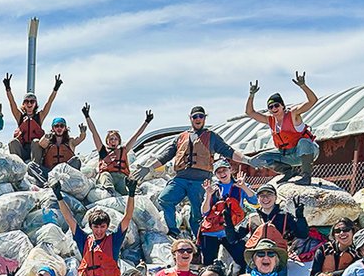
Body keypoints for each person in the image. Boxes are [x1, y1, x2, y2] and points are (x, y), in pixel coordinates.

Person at [149, 106, 246, 238]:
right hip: (180, 178)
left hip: (201, 181)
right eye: (195, 116)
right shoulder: (181, 137)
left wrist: (247, 160)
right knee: (165, 199)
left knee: (197, 214)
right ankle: (173, 231)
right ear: (190, 118)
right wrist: (149, 168)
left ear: (205, 118)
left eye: (201, 116)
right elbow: (165, 155)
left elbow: (229, 151)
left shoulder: (212, 137)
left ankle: (199, 239)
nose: (198, 119)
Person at [54, 179, 137, 276]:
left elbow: (127, 217)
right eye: (96, 227)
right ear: (91, 227)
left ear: (107, 226)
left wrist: (131, 194)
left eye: (102, 227)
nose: (99, 230)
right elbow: (69, 218)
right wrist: (59, 197)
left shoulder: (114, 240)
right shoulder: (84, 240)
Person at [245, 74, 320, 182]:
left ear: (282, 106)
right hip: (288, 155)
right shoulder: (270, 120)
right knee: (260, 158)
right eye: (270, 107)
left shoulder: (293, 114)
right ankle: (288, 172)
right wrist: (251, 95)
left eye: (276, 105)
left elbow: (312, 101)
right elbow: (250, 112)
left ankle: (306, 176)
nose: (274, 108)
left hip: (307, 151)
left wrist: (303, 85)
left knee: (304, 141)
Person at [83, 104, 153, 195]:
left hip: (121, 177)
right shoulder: (102, 150)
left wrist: (146, 122)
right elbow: (94, 132)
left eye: (115, 139)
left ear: (119, 141)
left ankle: (130, 195)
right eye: (111, 139)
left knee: (127, 189)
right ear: (107, 141)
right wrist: (87, 116)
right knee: (105, 175)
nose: (113, 141)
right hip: (109, 176)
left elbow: (136, 136)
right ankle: (109, 190)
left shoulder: (123, 150)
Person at [198, 158, 254, 267]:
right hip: (210, 232)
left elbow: (255, 201)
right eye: (219, 172)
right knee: (209, 264)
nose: (222, 173)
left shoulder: (240, 185)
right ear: (216, 175)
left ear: (230, 170)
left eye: (224, 170)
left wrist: (243, 187)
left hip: (232, 231)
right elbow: (204, 213)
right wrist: (208, 195)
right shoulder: (213, 189)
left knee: (243, 261)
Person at [4, 72, 62, 162]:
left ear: (35, 104)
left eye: (32, 101)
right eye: (27, 101)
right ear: (24, 104)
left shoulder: (39, 117)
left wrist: (55, 89)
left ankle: (35, 167)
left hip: (35, 151)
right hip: (23, 150)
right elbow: (12, 103)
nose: (29, 104)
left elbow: (49, 102)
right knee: (13, 142)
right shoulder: (19, 117)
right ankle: (17, 166)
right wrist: (8, 89)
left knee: (36, 141)